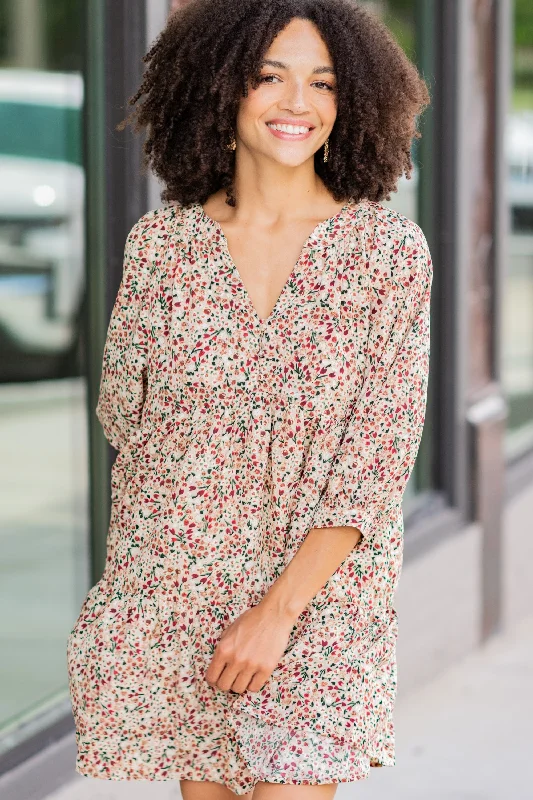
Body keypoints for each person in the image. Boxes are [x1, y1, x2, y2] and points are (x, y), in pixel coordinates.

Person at [66, 1, 432, 798]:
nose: (297, 102)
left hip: (322, 598)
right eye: (269, 77)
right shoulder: (160, 250)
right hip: (180, 588)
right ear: (220, 89)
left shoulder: (385, 254)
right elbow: (127, 422)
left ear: (352, 102)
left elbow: (375, 459)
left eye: (323, 83)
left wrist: (276, 612)